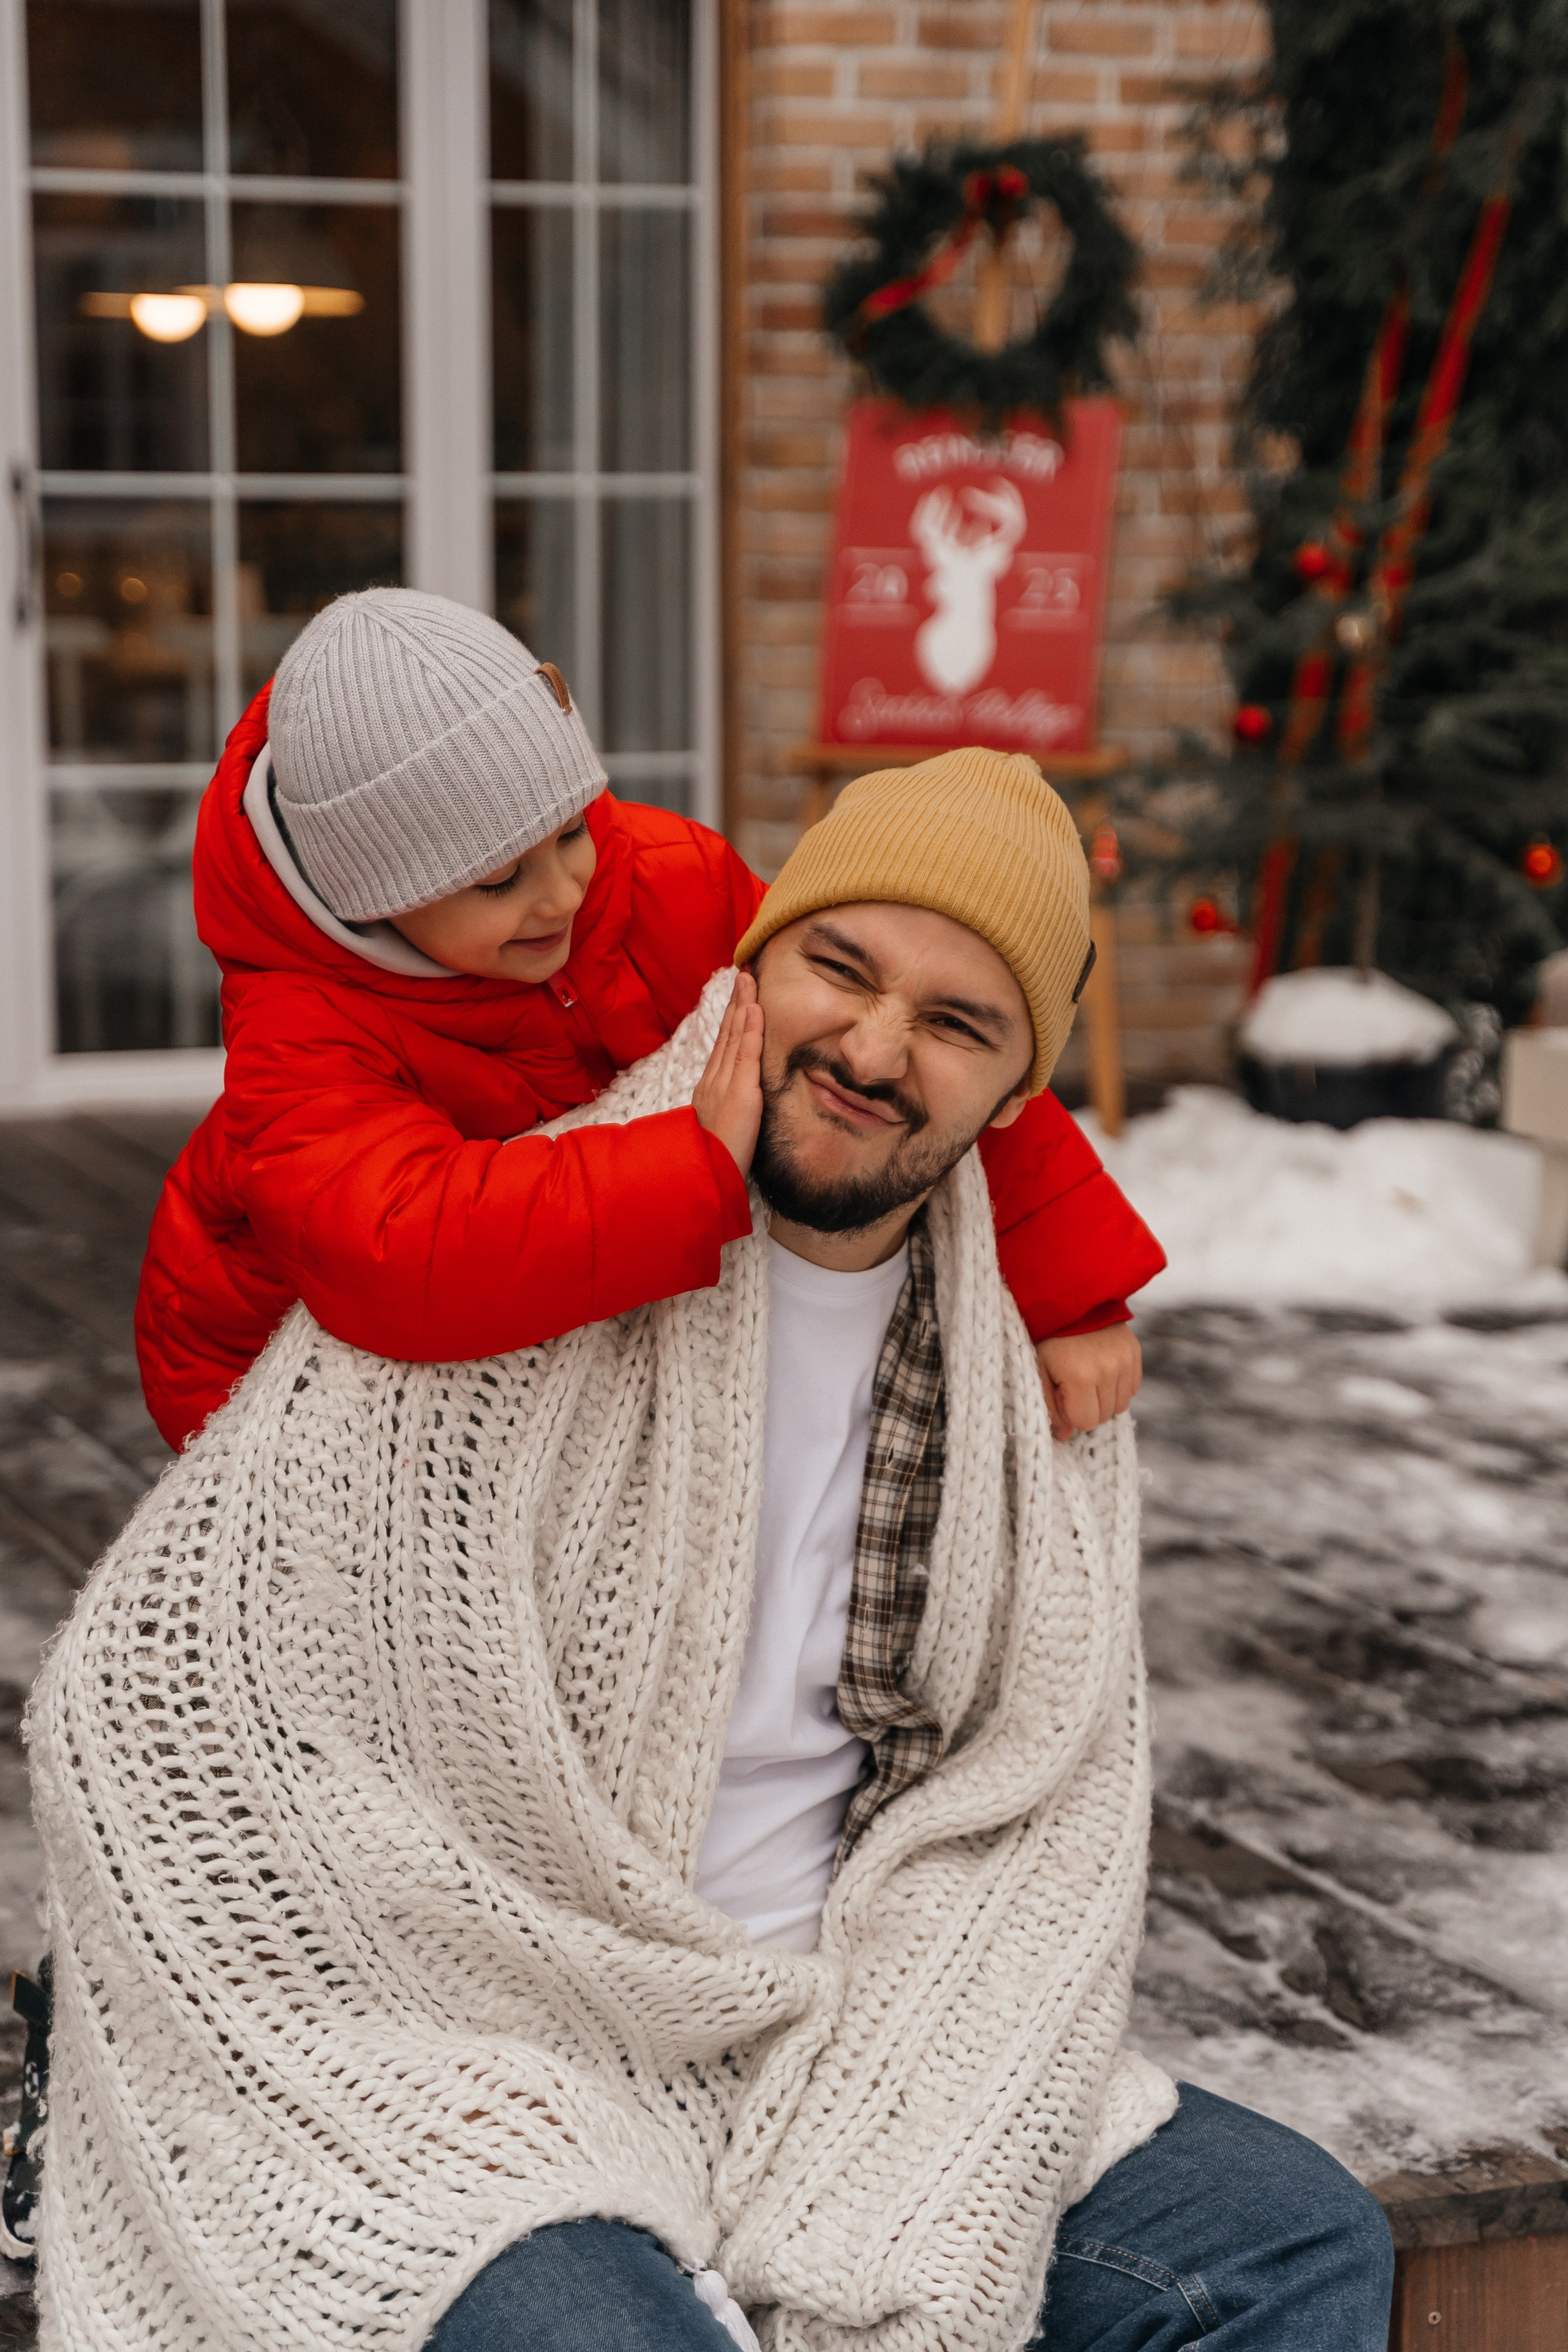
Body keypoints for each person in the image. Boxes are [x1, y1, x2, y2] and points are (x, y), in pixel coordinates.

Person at [34, 750, 1393, 2352]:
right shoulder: (519, 1253)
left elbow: (1038, 1774)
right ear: (750, 965)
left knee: (1297, 2245)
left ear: (1018, 1094)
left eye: (959, 1025)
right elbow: (138, 1703)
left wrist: (929, 2053)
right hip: (485, 2048)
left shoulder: (1014, 1370)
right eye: (842, 968)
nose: (878, 1049)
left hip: (845, 2022)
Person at [134, 589, 1162, 1457]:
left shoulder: (663, 879)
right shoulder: (303, 1033)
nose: (563, 894)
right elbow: (396, 1252)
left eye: (573, 827)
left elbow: (943, 1063)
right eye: (498, 882)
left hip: (564, 1341)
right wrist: (687, 1169)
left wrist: (1074, 1294)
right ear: (371, 895)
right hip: (282, 1395)